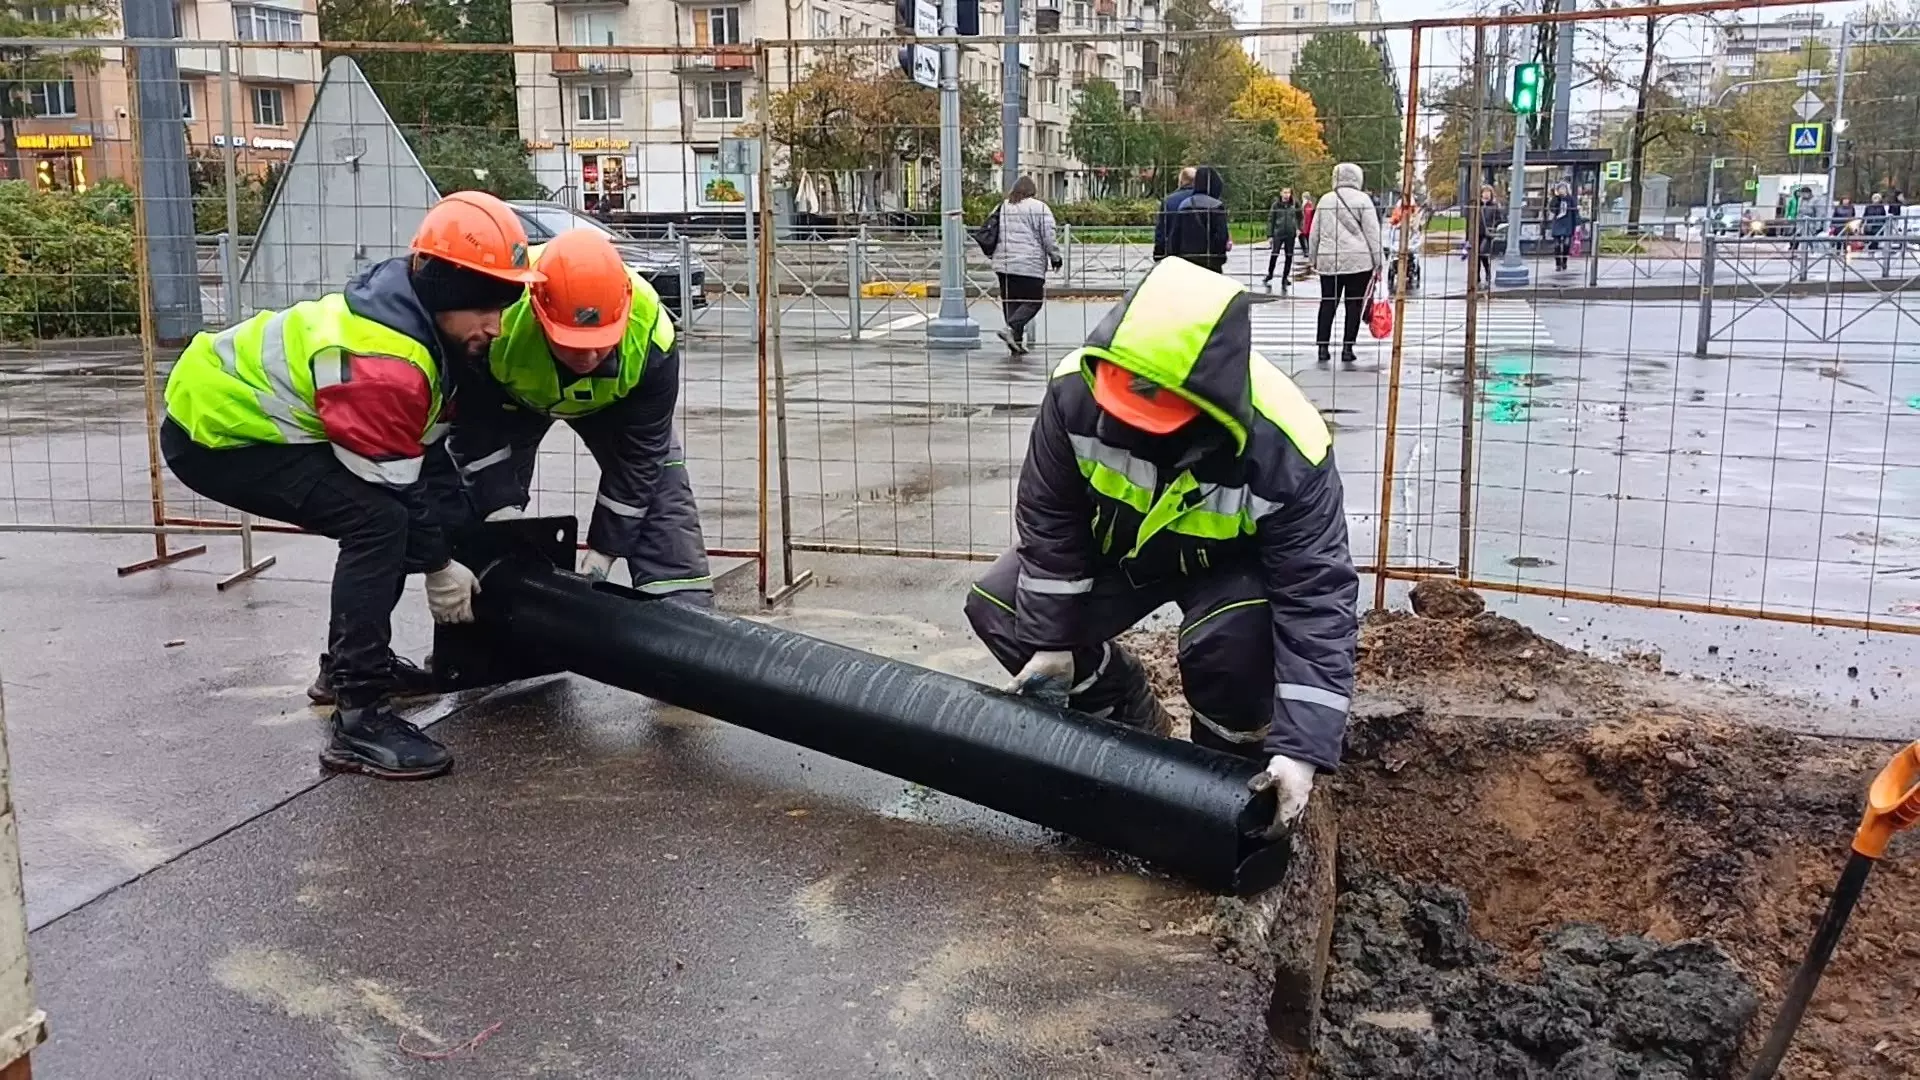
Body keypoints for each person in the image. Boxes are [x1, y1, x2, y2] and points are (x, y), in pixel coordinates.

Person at [962, 257, 1357, 839]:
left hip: (1227, 572)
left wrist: (1301, 752)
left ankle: (1223, 777)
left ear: (1209, 407)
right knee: (1003, 609)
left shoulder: (1286, 446)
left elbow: (1316, 599)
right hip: (1123, 549)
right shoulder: (1079, 392)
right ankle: (1121, 704)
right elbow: (1052, 523)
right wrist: (1052, 647)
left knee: (1229, 647)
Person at [161, 191, 544, 780]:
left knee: (384, 518)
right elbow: (396, 490)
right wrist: (439, 565)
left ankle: (347, 668)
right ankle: (359, 717)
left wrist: (468, 531)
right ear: (446, 288)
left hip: (254, 423)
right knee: (377, 522)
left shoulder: (425, 330)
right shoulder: (385, 361)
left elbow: (428, 456)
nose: (496, 326)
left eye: (504, 305)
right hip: (216, 434)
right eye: (485, 307)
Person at [445, 229, 714, 606]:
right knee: (477, 509)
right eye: (571, 343)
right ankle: (478, 638)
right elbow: (474, 431)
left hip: (616, 406)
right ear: (539, 313)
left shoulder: (652, 336)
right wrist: (498, 507)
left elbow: (640, 460)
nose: (587, 358)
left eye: (600, 343)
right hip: (511, 400)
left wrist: (604, 550)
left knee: (660, 499)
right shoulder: (498, 318)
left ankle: (689, 635)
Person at [1309, 162, 1383, 366]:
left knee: (1327, 303)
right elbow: (1373, 234)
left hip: (1329, 261)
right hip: (1359, 262)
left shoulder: (1325, 200)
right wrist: (1379, 262)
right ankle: (1347, 347)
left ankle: (1322, 347)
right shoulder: (1363, 200)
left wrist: (1313, 257)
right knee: (1354, 305)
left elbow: (1314, 232)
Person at [990, 175, 1061, 355]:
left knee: (1011, 302)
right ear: (1032, 191)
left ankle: (1016, 342)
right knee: (1033, 301)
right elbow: (1048, 235)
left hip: (1004, 264)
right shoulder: (1040, 208)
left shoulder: (1002, 206)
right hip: (1029, 264)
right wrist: (1055, 256)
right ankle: (1012, 329)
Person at [1164, 165, 1230, 274]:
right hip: (1210, 263)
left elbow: (1174, 238)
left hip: (1187, 263)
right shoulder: (1216, 206)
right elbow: (1221, 238)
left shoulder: (1184, 205)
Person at [1151, 166, 1197, 263]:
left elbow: (1161, 231)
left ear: (1181, 181)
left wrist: (1158, 254)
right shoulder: (1207, 200)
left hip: (1175, 254)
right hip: (1200, 255)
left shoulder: (1169, 201)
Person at [1263, 188, 1303, 291]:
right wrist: (1270, 235)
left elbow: (1300, 217)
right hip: (1278, 233)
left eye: (1288, 193)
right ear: (1281, 193)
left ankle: (1285, 277)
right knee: (1275, 253)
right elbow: (1271, 219)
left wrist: (1299, 228)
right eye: (1285, 192)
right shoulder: (1276, 205)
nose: (1286, 195)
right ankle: (1270, 273)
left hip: (1290, 233)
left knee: (1289, 255)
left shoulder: (1294, 204)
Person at [1472, 184, 1505, 286]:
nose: (1486, 194)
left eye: (1488, 192)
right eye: (1484, 192)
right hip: (1477, 233)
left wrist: (1494, 227)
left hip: (1488, 234)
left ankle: (1487, 270)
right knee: (1476, 255)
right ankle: (1476, 276)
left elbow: (1500, 220)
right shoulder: (1477, 205)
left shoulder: (1494, 206)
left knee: (1482, 252)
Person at [1547, 181, 1579, 272]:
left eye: (1564, 188)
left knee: (1566, 244)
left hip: (1568, 223)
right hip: (1558, 223)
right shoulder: (1556, 199)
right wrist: (1557, 198)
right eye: (1560, 189)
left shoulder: (1571, 199)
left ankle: (1564, 262)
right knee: (1557, 245)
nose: (1562, 190)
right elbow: (1552, 209)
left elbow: (1575, 212)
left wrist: (1577, 224)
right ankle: (1557, 264)